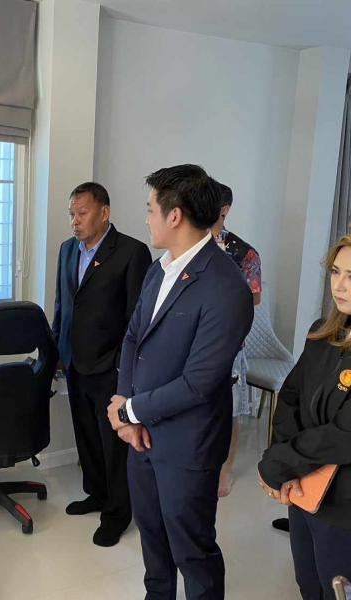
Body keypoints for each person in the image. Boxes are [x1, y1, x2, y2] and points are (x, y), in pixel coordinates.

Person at [108, 164, 254, 600]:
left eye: (150, 209)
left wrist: (130, 410)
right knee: (152, 539)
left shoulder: (227, 286)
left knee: (192, 549)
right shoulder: (160, 269)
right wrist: (127, 405)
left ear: (174, 216)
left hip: (188, 444)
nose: (146, 219)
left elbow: (199, 383)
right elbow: (133, 338)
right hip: (141, 436)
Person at [258, 230, 351, 600]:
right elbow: (291, 397)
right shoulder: (323, 333)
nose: (339, 285)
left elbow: (349, 435)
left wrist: (279, 463)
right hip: (305, 489)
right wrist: (285, 464)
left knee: (341, 593)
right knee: (309, 586)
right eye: (336, 272)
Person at [52, 182, 152, 547]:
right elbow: (62, 305)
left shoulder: (131, 252)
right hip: (75, 362)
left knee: (114, 444)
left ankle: (117, 513)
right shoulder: (67, 250)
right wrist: (57, 352)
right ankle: (96, 493)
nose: (75, 221)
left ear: (104, 212)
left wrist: (121, 367)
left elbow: (137, 319)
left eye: (82, 213)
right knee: (87, 436)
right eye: (71, 214)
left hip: (110, 367)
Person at [212, 182, 262, 498]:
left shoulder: (243, 252)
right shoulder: (188, 244)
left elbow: (254, 297)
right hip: (190, 343)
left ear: (224, 209)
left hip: (229, 344)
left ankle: (226, 469)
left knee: (230, 411)